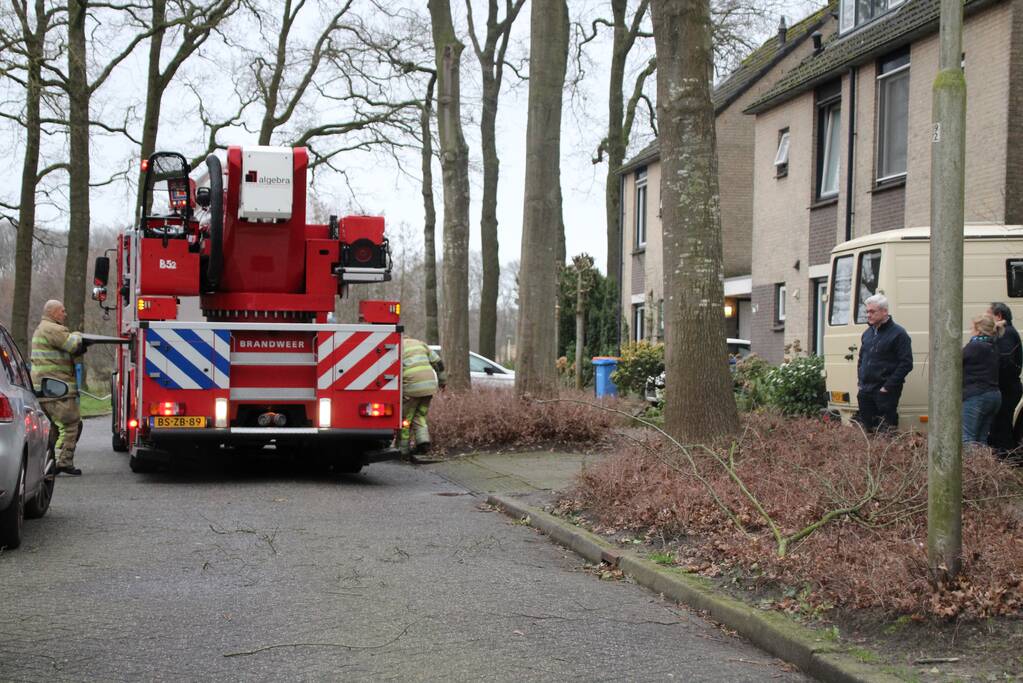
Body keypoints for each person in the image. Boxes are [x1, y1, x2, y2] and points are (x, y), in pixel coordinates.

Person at [30, 300, 88, 476]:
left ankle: (48, 462)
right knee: (72, 424)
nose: (65, 314)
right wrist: (78, 335)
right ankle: (64, 462)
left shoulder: (41, 329)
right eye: (62, 311)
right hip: (58, 389)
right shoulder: (53, 329)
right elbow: (72, 345)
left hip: (44, 389)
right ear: (53, 313)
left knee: (52, 429)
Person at [856, 294, 913, 433]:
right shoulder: (867, 334)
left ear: (884, 311)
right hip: (865, 391)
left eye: (872, 311)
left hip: (885, 393)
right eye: (867, 311)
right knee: (868, 433)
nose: (868, 315)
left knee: (885, 433)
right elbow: (861, 359)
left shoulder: (899, 334)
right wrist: (860, 382)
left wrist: (887, 387)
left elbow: (906, 363)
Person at [398, 338, 446, 462]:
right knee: (420, 415)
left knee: (405, 420)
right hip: (429, 387)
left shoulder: (398, 345)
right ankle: (423, 443)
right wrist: (442, 383)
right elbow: (439, 364)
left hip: (412, 388)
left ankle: (403, 451)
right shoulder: (421, 344)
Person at [987, 302, 1022, 454]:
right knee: (1002, 424)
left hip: (1006, 389)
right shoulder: (1009, 332)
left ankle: (1005, 458)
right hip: (1008, 388)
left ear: (999, 316)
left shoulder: (1005, 333)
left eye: (989, 314)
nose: (986, 317)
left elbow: (1004, 360)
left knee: (1002, 427)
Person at [962, 314, 1002, 445]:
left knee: (967, 438)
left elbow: (954, 361)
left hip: (976, 396)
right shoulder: (993, 346)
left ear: (978, 329)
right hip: (994, 396)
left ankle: (971, 466)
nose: (970, 330)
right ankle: (984, 465)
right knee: (981, 439)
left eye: (971, 327)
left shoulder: (974, 346)